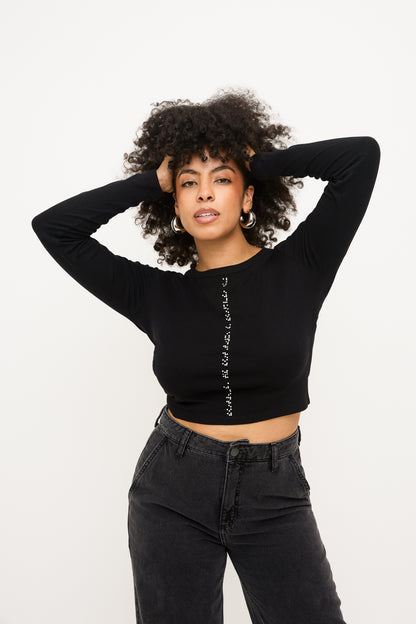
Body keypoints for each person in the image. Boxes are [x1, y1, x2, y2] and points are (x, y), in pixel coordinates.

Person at [31, 88, 381, 623]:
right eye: (189, 183)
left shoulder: (304, 264)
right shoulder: (153, 294)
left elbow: (361, 156)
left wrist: (256, 162)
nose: (204, 193)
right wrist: (153, 179)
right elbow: (55, 228)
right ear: (175, 205)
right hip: (172, 487)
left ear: (247, 197)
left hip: (275, 489)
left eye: (221, 179)